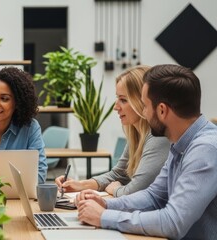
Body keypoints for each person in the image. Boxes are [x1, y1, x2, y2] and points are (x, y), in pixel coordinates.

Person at [76, 64, 217, 239]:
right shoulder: (180, 143)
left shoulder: (205, 150)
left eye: (144, 105)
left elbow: (173, 222)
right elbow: (153, 196)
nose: (143, 112)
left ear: (162, 110)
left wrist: (104, 217)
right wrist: (105, 204)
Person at [55, 66, 170, 197]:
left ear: (142, 101)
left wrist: (115, 189)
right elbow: (119, 174)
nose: (116, 107)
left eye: (123, 100)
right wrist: (81, 185)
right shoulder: (136, 135)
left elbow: (134, 191)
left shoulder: (158, 137)